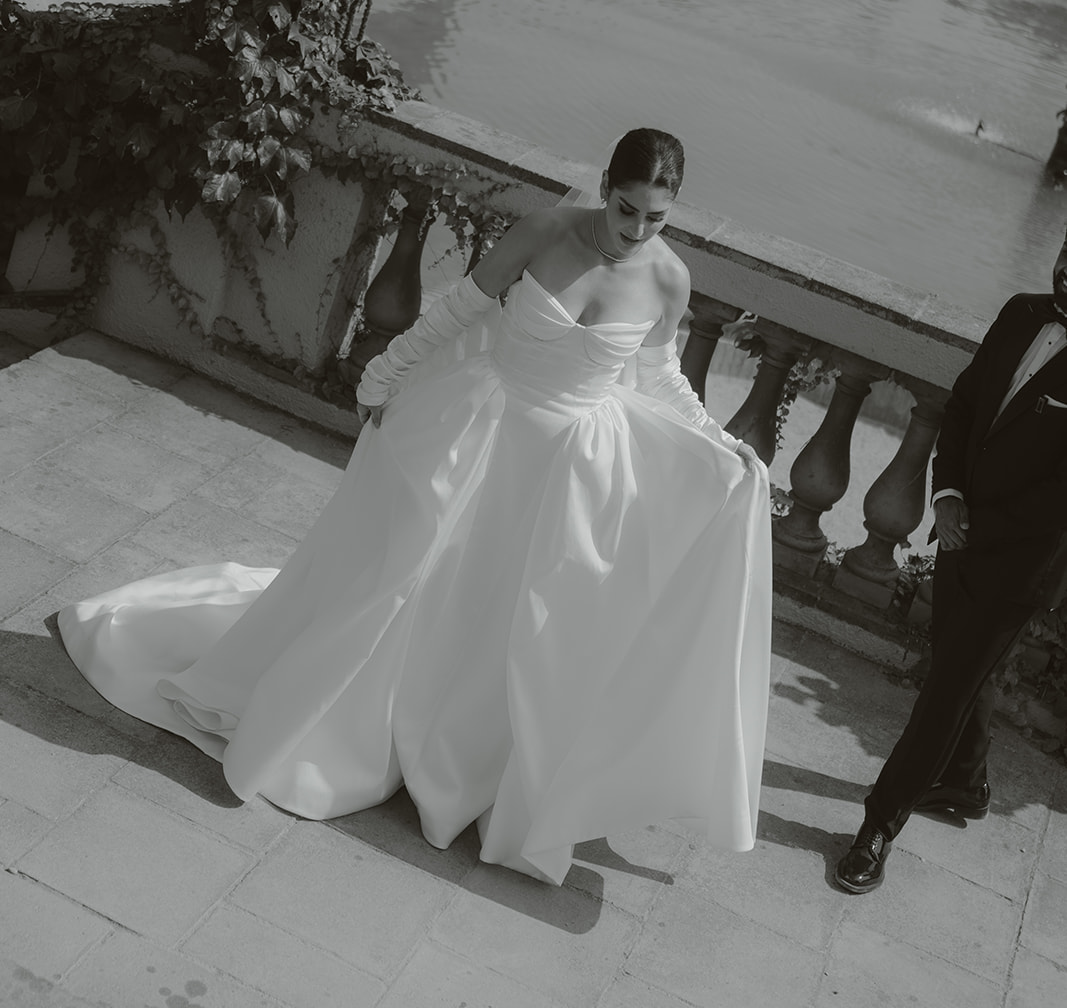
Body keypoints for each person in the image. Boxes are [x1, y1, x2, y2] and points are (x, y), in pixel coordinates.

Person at [57, 129, 772, 886]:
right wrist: (383, 374)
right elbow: (457, 310)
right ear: (604, 184)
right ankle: (350, 732)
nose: (635, 231)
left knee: (506, 614)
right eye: (626, 209)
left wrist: (719, 442)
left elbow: (658, 376)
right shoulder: (543, 231)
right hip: (476, 429)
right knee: (399, 577)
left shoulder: (668, 280)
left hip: (563, 469)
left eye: (655, 219)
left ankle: (447, 752)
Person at [835, 226, 1067, 894]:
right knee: (961, 671)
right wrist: (945, 496)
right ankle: (964, 784)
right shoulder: (1020, 312)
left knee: (943, 692)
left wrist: (976, 523)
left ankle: (877, 827)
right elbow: (966, 405)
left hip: (1019, 563)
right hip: (957, 522)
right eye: (1064, 257)